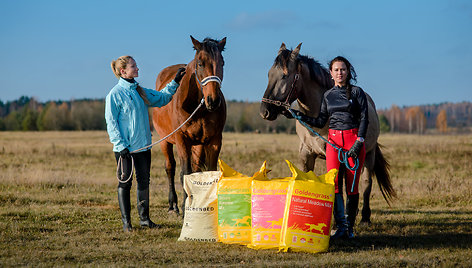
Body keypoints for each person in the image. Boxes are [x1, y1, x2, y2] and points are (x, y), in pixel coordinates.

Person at [284, 56, 368, 239]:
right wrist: (298, 115)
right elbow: (320, 121)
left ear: (348, 71)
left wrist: (359, 142)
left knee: (352, 188)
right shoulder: (328, 96)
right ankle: (341, 227)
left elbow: (364, 119)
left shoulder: (357, 92)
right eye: (336, 70)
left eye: (343, 69)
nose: (340, 73)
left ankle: (350, 229)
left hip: (353, 141)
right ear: (331, 73)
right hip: (334, 143)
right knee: (334, 185)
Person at [105, 55, 185, 232]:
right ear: (123, 71)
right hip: (125, 149)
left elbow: (162, 98)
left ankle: (144, 220)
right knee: (125, 183)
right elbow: (111, 123)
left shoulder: (140, 91)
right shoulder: (115, 95)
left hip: (143, 146)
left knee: (143, 182)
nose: (138, 69)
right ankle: (127, 223)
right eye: (134, 66)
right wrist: (120, 145)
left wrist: (176, 81)